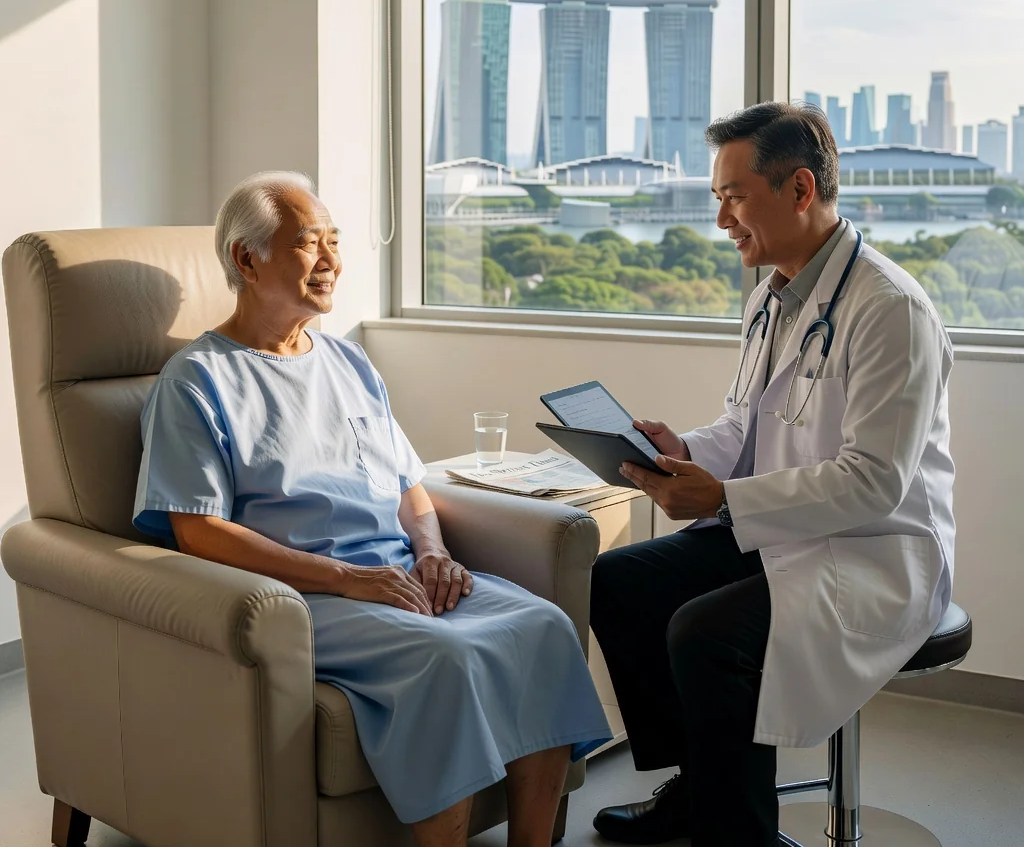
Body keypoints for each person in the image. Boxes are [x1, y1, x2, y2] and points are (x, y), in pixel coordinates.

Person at [133, 171, 612, 847]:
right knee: (443, 659)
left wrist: (433, 551)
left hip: (396, 573)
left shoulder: (348, 362)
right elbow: (197, 530)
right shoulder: (196, 381)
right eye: (309, 244)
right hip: (304, 595)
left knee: (541, 627)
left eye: (335, 241)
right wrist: (346, 579)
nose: (331, 260)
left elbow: (408, 486)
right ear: (247, 259)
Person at [589, 102, 955, 847]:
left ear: (798, 190)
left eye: (733, 195)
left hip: (874, 550)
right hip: (784, 528)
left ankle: (741, 833)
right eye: (717, 197)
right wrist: (685, 452)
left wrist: (724, 497)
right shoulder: (772, 296)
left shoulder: (891, 311)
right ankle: (700, 789)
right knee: (619, 584)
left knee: (706, 634)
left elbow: (873, 481)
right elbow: (744, 424)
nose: (721, 218)